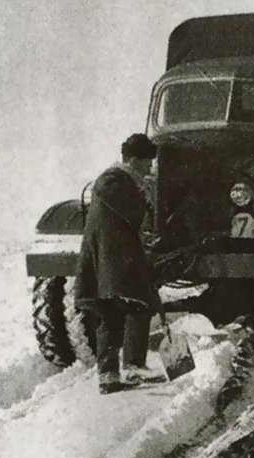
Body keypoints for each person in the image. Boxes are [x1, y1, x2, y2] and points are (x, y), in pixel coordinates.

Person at [75, 134, 166, 394]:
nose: (149, 168)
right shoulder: (114, 180)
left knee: (115, 314)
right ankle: (129, 368)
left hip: (113, 260)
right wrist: (145, 198)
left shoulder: (119, 181)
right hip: (113, 262)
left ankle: (112, 376)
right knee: (132, 308)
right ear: (132, 159)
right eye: (146, 162)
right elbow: (133, 215)